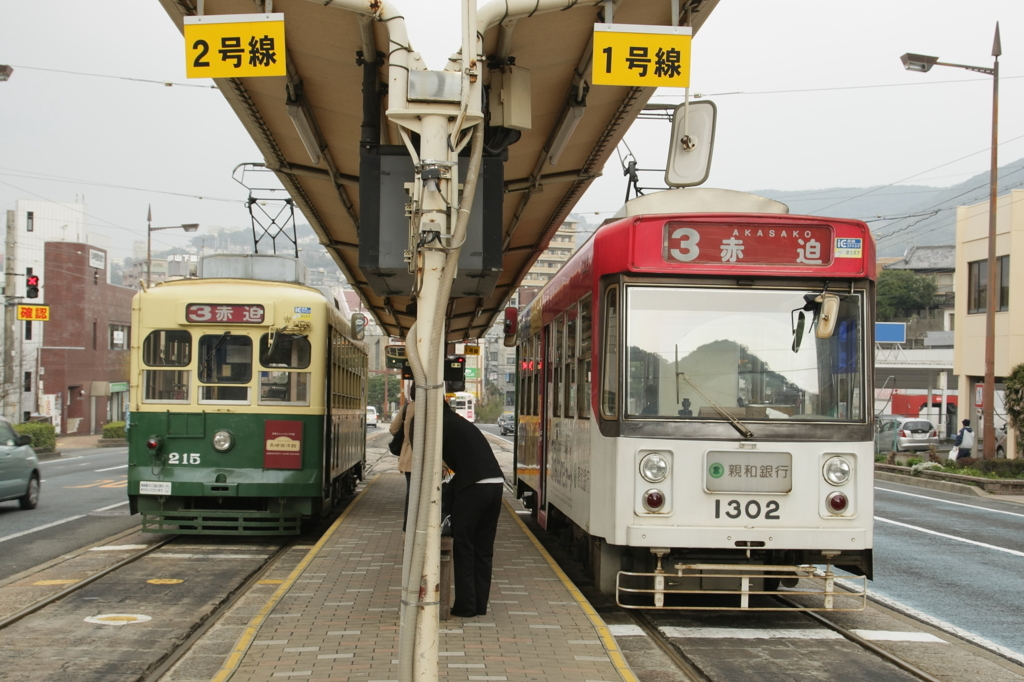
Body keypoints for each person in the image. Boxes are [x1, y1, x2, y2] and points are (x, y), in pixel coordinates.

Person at [440, 400, 503, 618]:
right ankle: (479, 605)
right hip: (495, 483)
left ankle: (466, 606)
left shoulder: (439, 423)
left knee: (464, 544)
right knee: (483, 548)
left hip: (473, 486)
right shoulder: (458, 421)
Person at [389, 386, 415, 530]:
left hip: (409, 458)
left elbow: (393, 430)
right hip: (430, 460)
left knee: (411, 492)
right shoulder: (434, 407)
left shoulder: (407, 408)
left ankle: (408, 525)